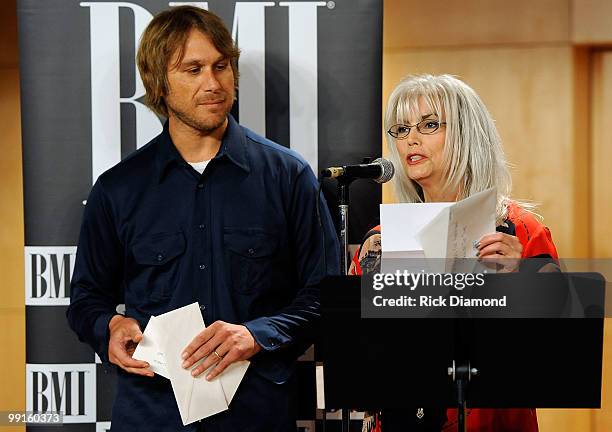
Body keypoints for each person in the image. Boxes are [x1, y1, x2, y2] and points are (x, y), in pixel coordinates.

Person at [67, 6, 339, 431]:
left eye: (221, 66)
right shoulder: (117, 189)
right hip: (151, 415)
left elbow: (324, 296)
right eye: (192, 69)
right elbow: (86, 298)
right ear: (159, 83)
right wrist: (110, 325)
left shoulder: (288, 176)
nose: (213, 84)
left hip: (257, 414)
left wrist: (256, 335)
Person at [350, 74, 558, 432]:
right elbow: (354, 354)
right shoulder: (380, 241)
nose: (410, 139)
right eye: (400, 130)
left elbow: (555, 354)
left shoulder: (520, 230)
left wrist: (518, 284)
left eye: (429, 125)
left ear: (467, 133)